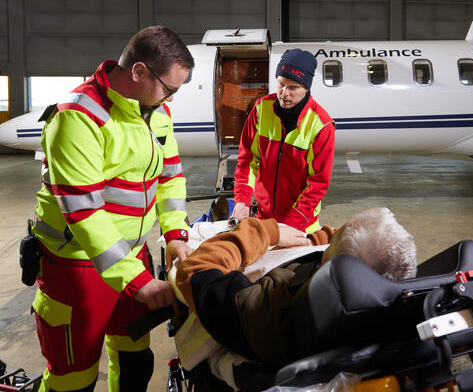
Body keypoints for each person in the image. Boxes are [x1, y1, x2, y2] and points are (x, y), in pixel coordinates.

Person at [30, 26, 194, 392]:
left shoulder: (155, 112)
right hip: (77, 270)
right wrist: (139, 283)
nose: (172, 98)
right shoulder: (78, 118)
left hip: (131, 257)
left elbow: (170, 176)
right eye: (169, 88)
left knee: (135, 360)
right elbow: (84, 212)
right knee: (71, 384)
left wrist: (175, 234)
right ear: (139, 72)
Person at [174, 207, 417, 369]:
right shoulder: (380, 306)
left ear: (334, 268)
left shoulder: (264, 312)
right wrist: (314, 241)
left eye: (339, 231)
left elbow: (196, 269)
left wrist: (266, 232)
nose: (334, 231)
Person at [231, 49, 335, 233]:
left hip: (301, 225)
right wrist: (242, 202)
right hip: (264, 218)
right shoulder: (261, 109)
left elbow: (317, 183)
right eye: (281, 84)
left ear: (306, 88)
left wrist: (290, 226)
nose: (284, 93)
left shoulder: (321, 125)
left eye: (293, 87)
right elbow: (247, 160)